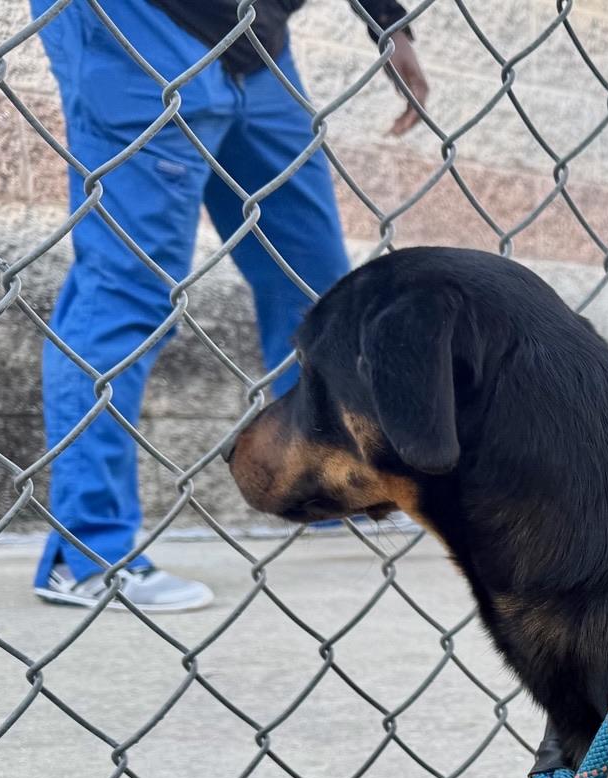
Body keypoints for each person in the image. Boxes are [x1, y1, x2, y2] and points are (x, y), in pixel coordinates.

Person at [30, 0, 429, 611]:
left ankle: (322, 489)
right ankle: (86, 554)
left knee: (315, 289)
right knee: (128, 287)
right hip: (141, 20)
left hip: (258, 38)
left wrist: (388, 21)